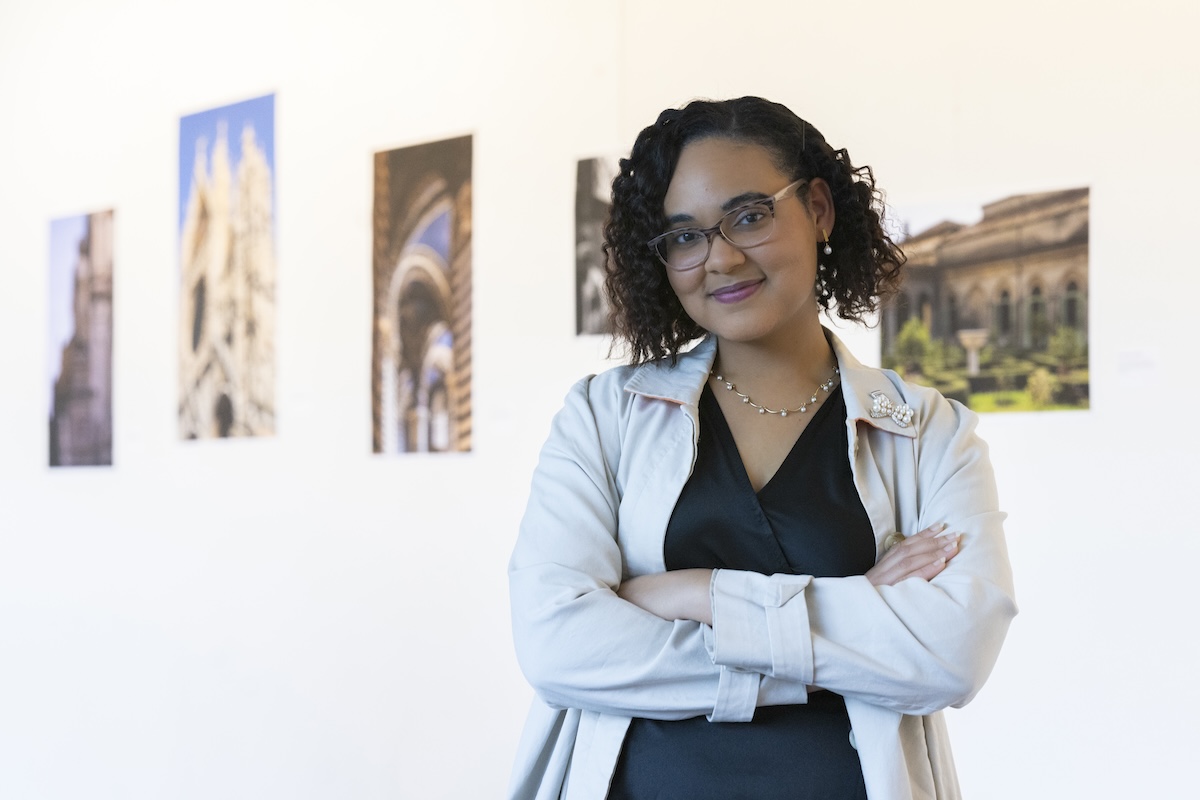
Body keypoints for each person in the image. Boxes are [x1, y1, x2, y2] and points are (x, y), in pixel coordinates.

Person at [507, 97, 1016, 800]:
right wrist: (852, 607)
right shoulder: (602, 417)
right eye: (684, 237)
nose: (719, 257)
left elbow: (953, 654)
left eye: (748, 216)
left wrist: (692, 593)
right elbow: (559, 646)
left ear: (818, 209)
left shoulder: (930, 432)